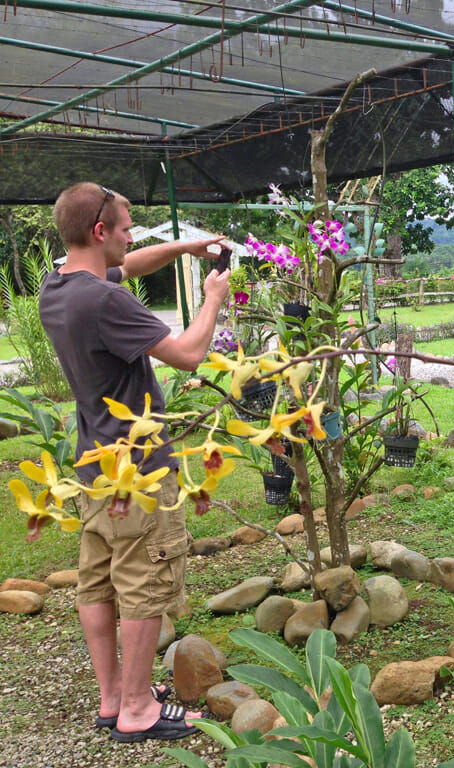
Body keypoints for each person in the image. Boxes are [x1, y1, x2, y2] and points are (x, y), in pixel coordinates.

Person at [40, 182, 231, 743]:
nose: (131, 239)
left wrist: (186, 248)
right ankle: (138, 708)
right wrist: (213, 296)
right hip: (140, 471)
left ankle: (113, 699)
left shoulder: (59, 287)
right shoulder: (106, 302)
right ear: (99, 231)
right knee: (145, 584)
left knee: (98, 585)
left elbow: (127, 266)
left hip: (95, 469)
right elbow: (189, 354)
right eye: (125, 230)